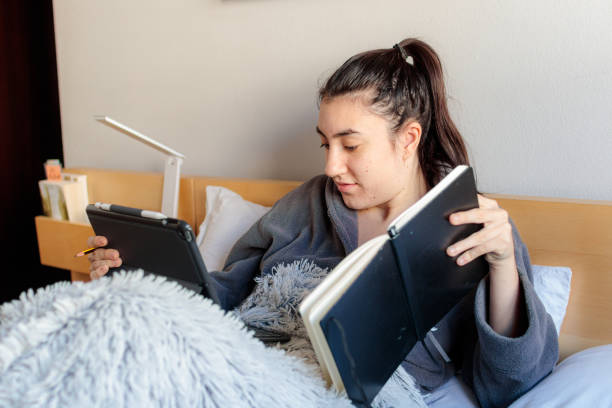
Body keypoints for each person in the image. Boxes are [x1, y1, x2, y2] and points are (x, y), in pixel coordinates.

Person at [86, 38, 558, 407]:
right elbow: (225, 296)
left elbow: (512, 385)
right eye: (325, 144)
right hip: (249, 363)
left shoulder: (469, 222)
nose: (332, 166)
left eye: (350, 146)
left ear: (409, 138)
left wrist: (501, 269)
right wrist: (144, 280)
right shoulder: (308, 202)